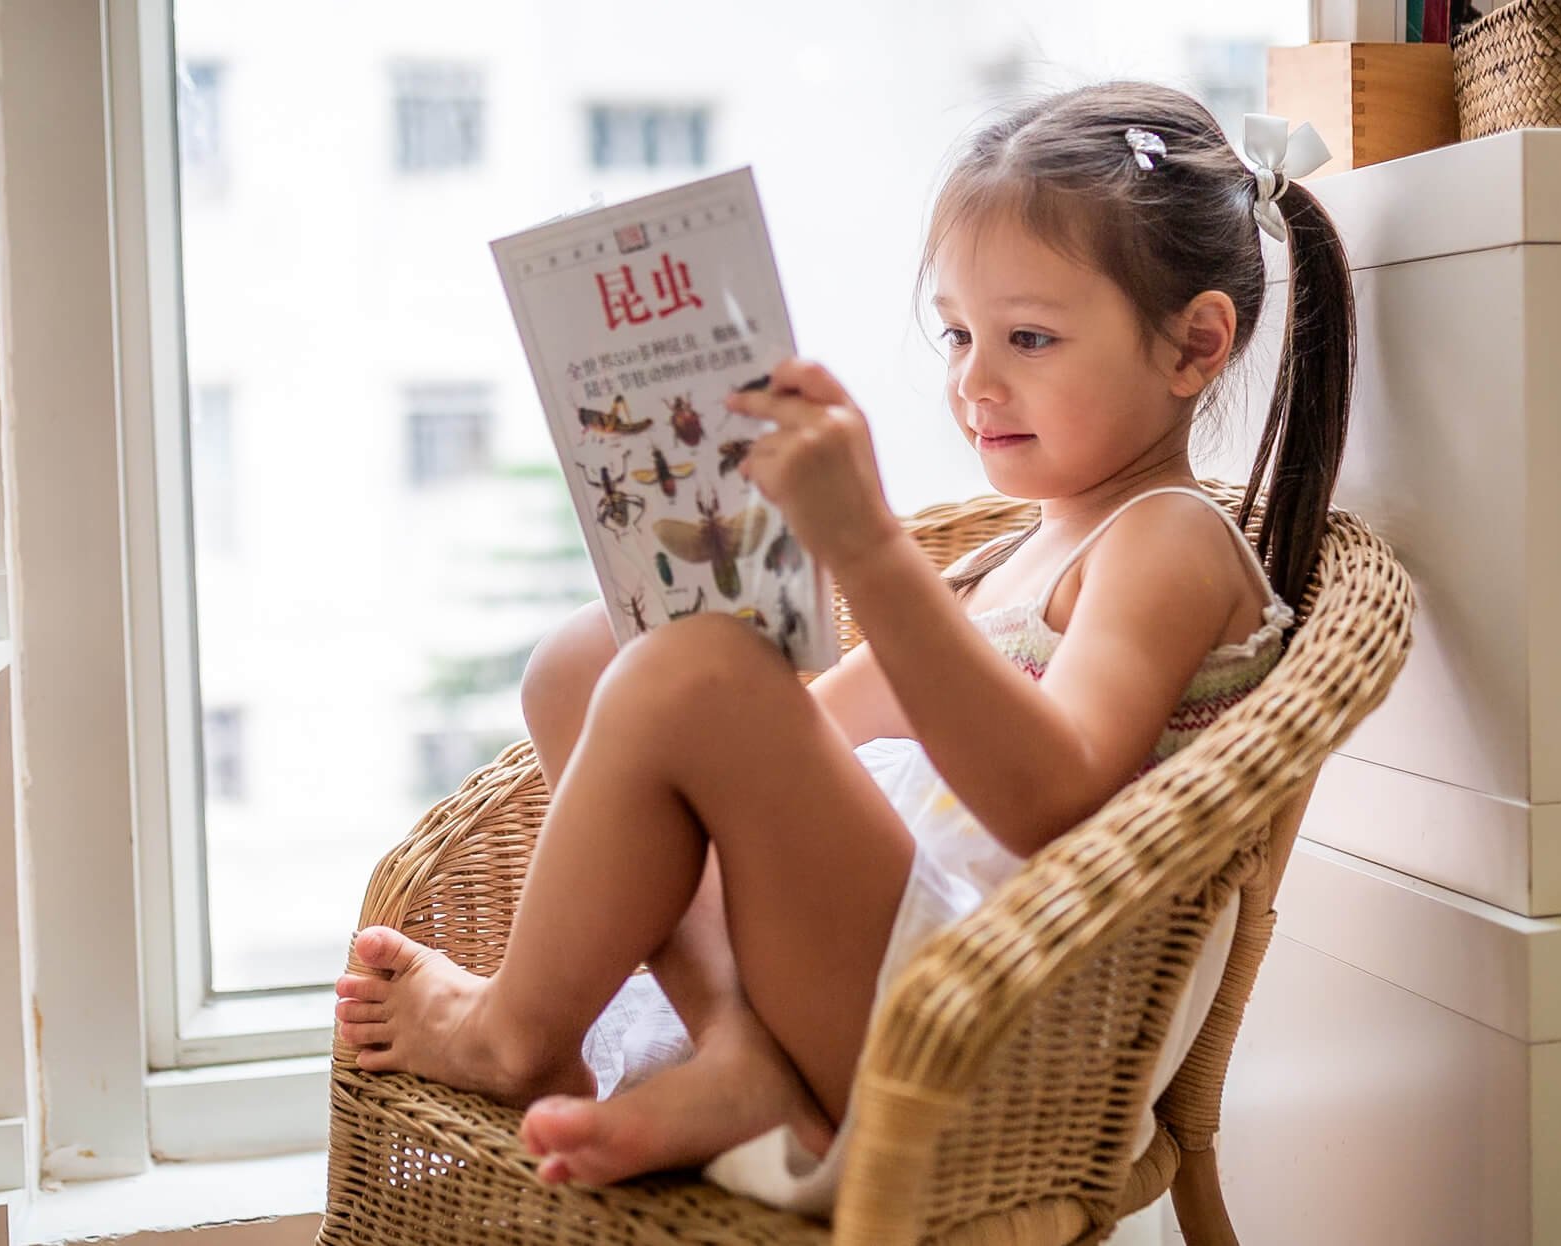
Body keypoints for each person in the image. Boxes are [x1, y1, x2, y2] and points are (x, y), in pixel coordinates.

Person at [332, 80, 1353, 1218]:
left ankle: (513, 1029)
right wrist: (762, 590)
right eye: (959, 334)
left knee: (685, 674)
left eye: (1028, 337)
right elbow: (807, 741)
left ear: (1193, 345)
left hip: (977, 1033)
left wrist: (867, 549)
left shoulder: (1167, 541)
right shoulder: (1015, 551)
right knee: (592, 658)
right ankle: (738, 1051)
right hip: (866, 970)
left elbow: (1049, 796)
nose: (973, 380)